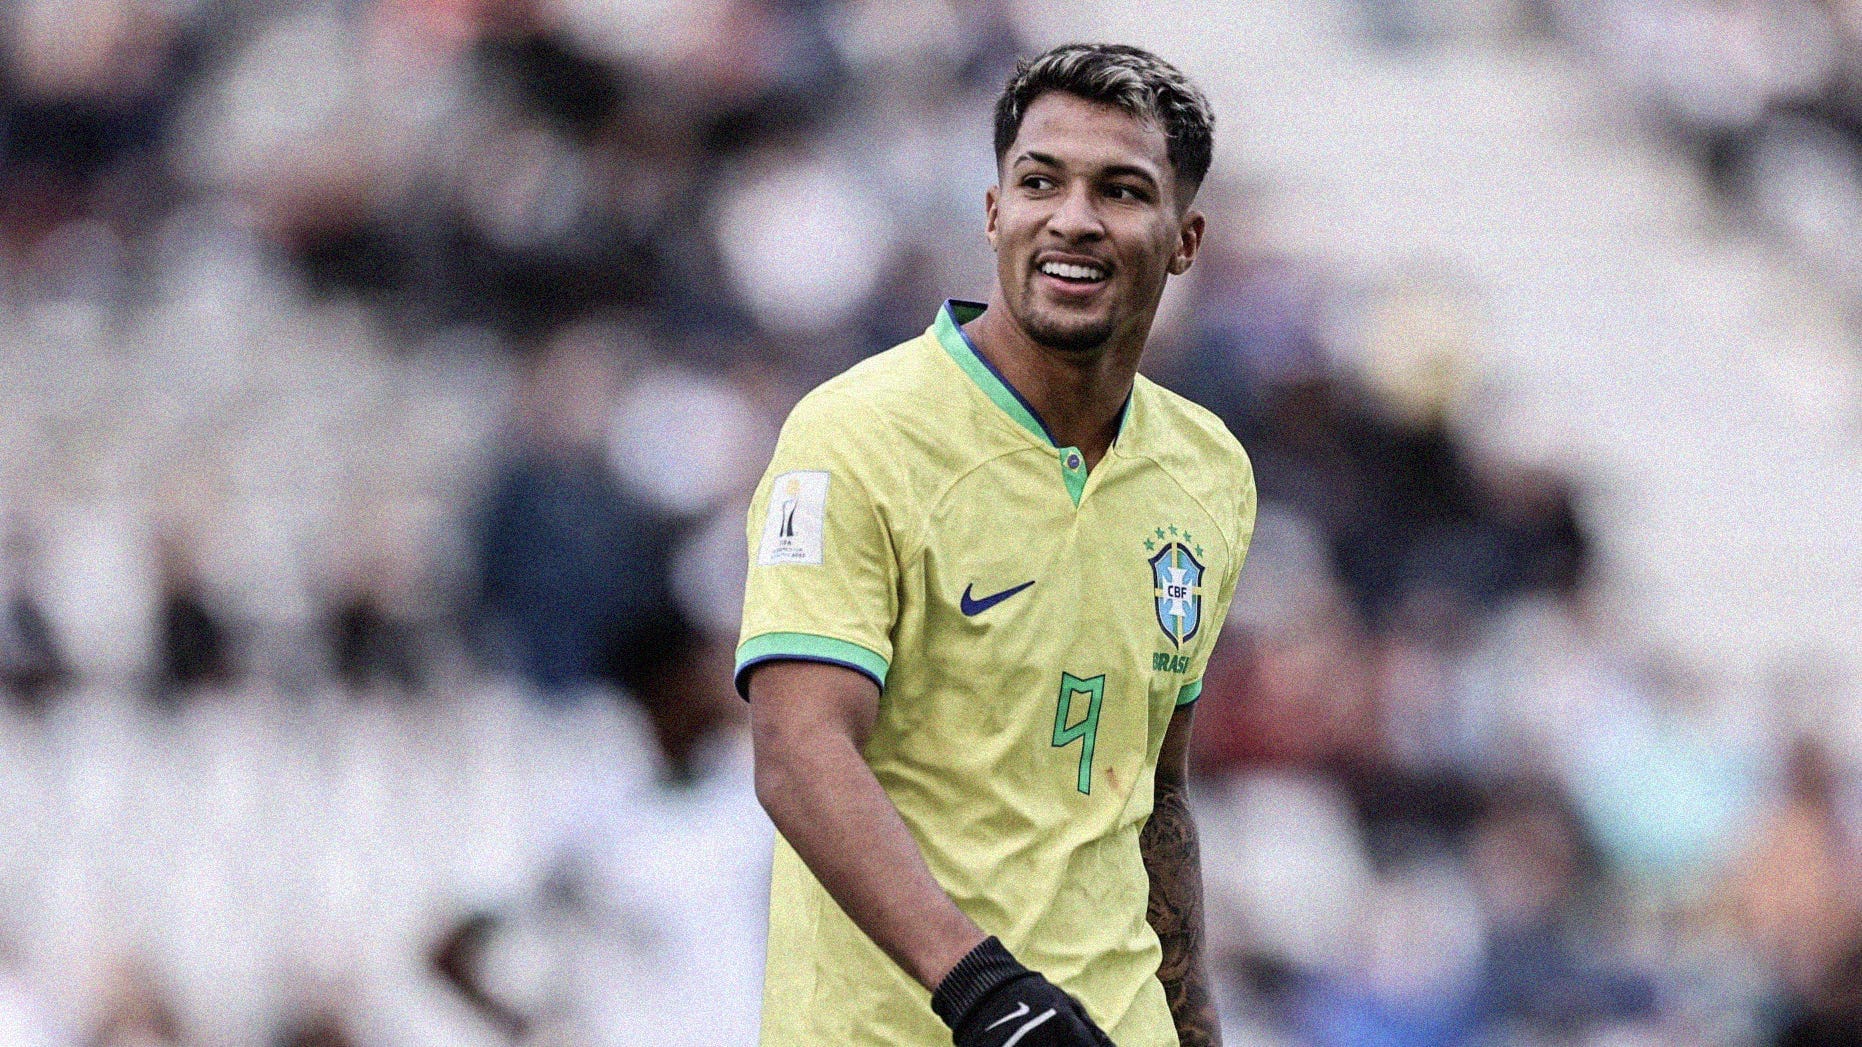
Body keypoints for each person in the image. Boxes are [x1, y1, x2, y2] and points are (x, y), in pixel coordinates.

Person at [737, 43, 1255, 1047]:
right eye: (1038, 181)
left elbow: (1153, 792)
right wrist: (988, 994)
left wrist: (1192, 1030)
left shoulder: (1209, 471)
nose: (1072, 218)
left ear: (1182, 238)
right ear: (990, 213)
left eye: (1119, 190)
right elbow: (797, 752)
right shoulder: (856, 437)